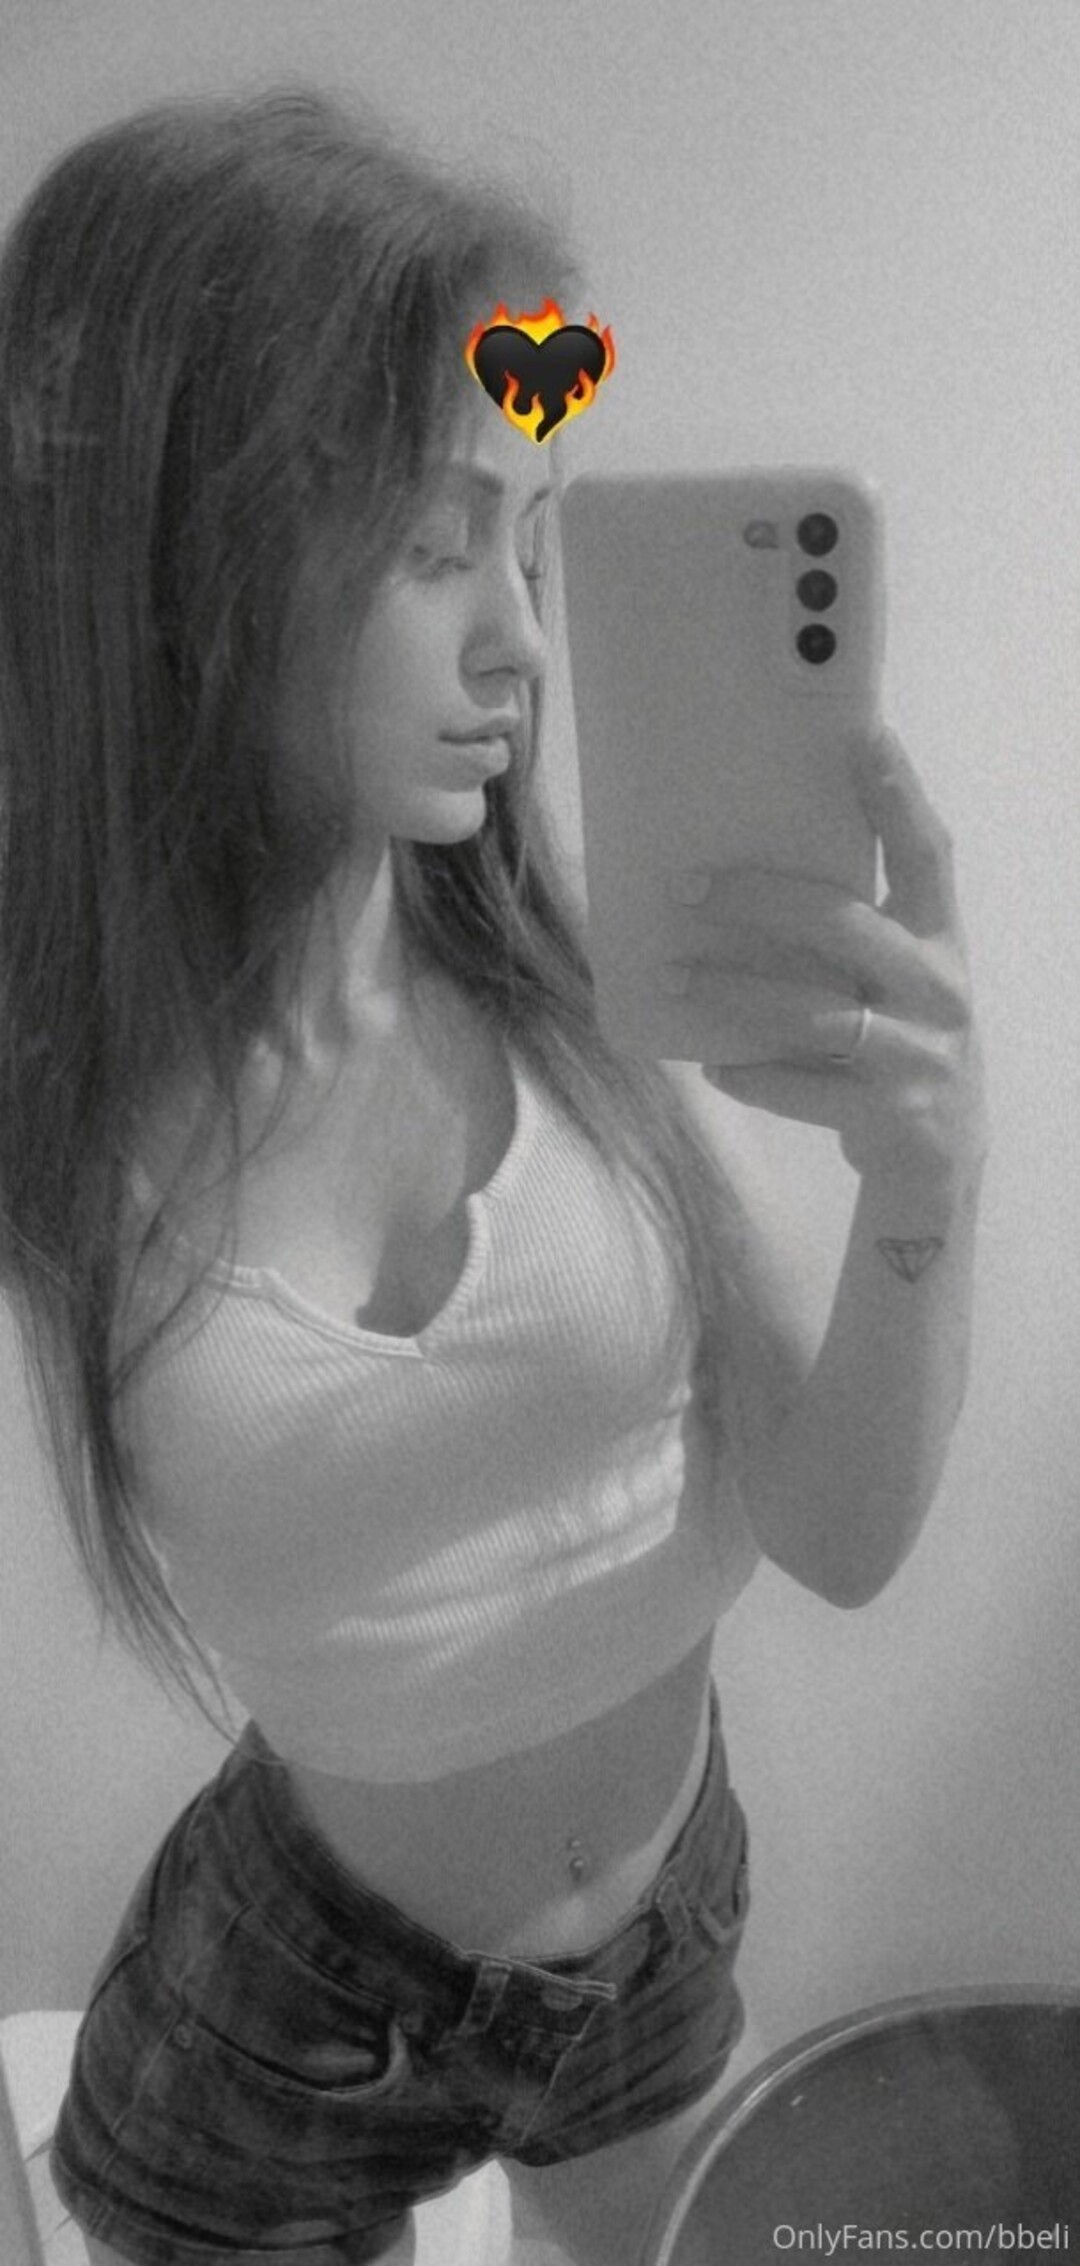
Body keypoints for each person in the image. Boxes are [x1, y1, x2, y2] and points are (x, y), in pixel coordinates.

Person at [0, 87, 987, 2266]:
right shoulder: (57, 1105)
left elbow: (837, 1530)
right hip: (287, 2012)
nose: (524, 647)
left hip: (653, 1949)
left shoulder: (594, 1001)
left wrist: (930, 1180)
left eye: (529, 544)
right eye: (441, 545)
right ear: (180, 560)